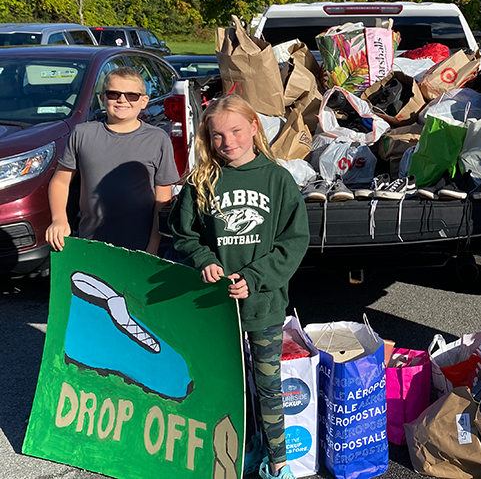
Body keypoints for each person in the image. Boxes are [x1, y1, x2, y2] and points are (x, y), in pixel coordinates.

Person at [168, 95, 309, 479]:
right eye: (217, 135)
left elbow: (293, 241)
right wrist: (204, 261)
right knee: (226, 383)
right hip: (216, 309)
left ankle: (279, 461)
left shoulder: (277, 179)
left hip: (263, 304)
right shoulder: (201, 181)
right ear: (206, 138)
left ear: (253, 128)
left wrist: (255, 278)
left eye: (235, 131)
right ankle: (240, 452)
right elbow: (183, 234)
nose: (227, 141)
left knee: (268, 385)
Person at [46, 67, 178, 255]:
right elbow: (60, 181)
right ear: (102, 98)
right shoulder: (82, 133)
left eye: (131, 95)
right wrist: (59, 219)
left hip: (139, 246)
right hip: (90, 241)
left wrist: (153, 245)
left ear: (143, 101)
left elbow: (162, 198)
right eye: (114, 93)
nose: (122, 100)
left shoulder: (157, 139)